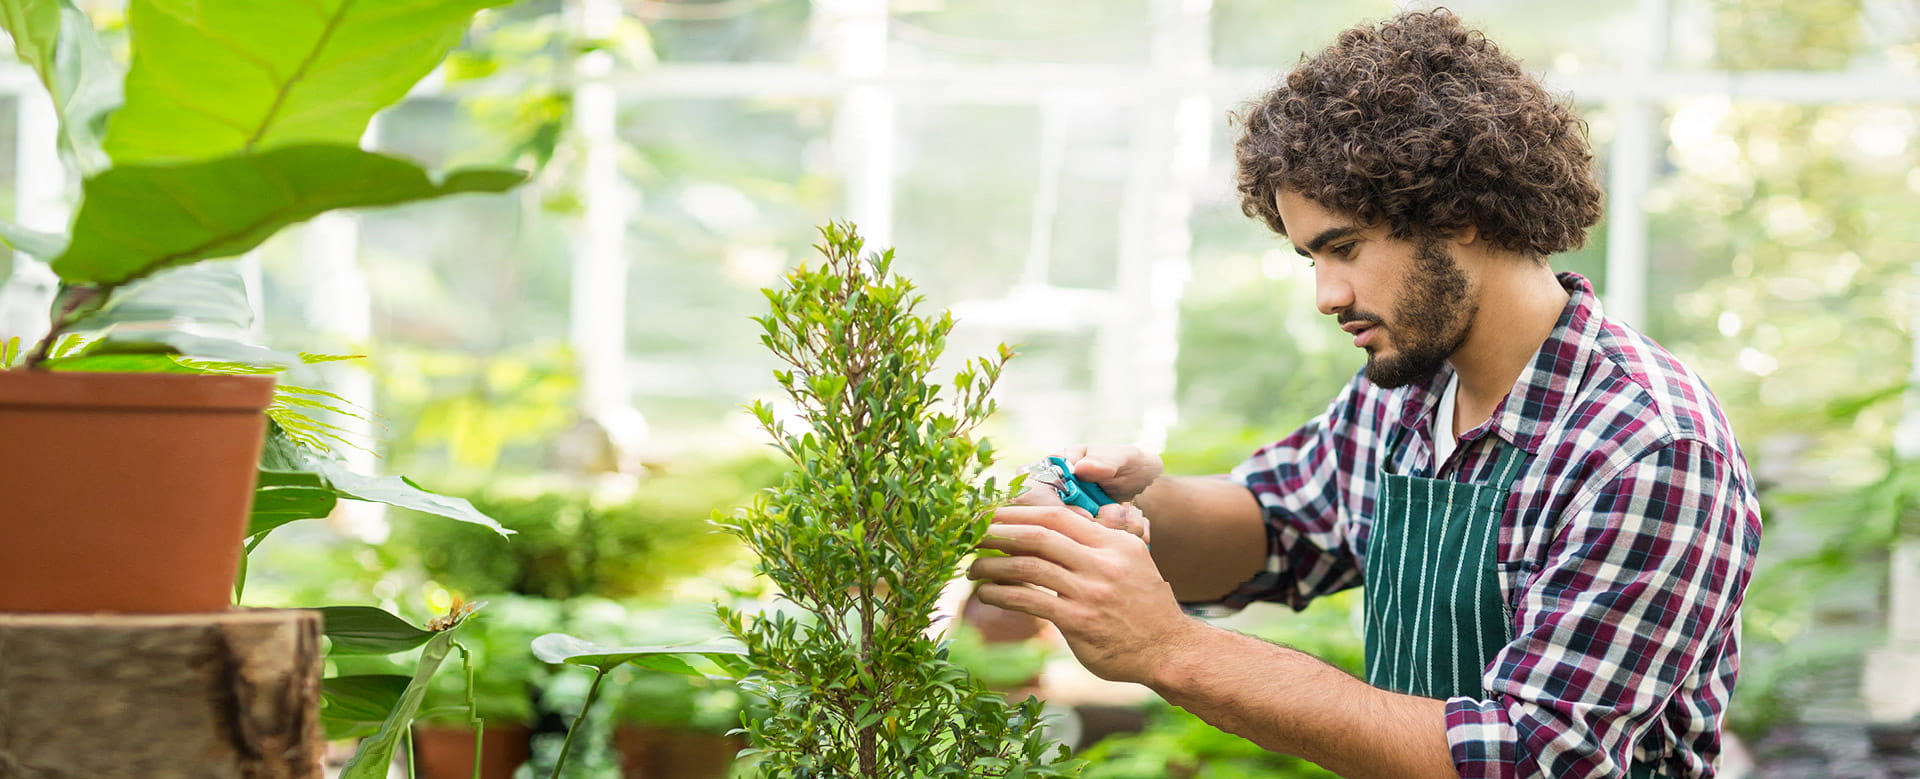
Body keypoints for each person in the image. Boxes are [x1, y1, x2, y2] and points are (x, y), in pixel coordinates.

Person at [967, 9, 1762, 779]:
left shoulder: (1648, 447)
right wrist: (1120, 506)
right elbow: (1278, 524)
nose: (1327, 295)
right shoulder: (1412, 386)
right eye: (1311, 259)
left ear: (1459, 213)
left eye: (1344, 248)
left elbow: (1526, 756)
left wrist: (1168, 648)